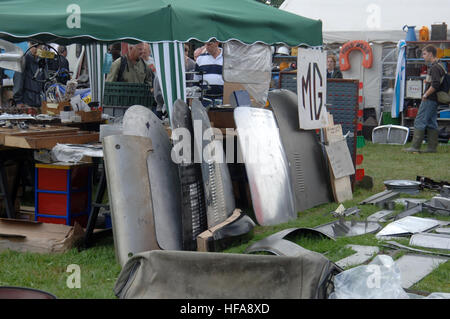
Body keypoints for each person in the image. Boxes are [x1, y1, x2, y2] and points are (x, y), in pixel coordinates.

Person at [404, 45, 446, 153]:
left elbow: (435, 84)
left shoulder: (435, 67)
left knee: (419, 121)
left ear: (431, 54)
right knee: (432, 122)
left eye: (424, 54)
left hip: (430, 99)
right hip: (435, 99)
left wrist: (425, 95)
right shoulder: (440, 65)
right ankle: (432, 148)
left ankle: (415, 147)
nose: (423, 56)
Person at [13, 42, 45, 108]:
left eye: (38, 47)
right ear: (29, 45)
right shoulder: (23, 60)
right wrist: (18, 101)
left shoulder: (41, 61)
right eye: (34, 46)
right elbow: (18, 80)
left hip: (38, 101)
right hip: (26, 102)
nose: (36, 49)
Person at [194, 39, 224, 105]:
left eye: (209, 44)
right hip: (205, 98)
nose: (207, 47)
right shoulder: (200, 59)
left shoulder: (226, 57)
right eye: (205, 44)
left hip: (223, 97)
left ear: (217, 43)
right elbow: (196, 81)